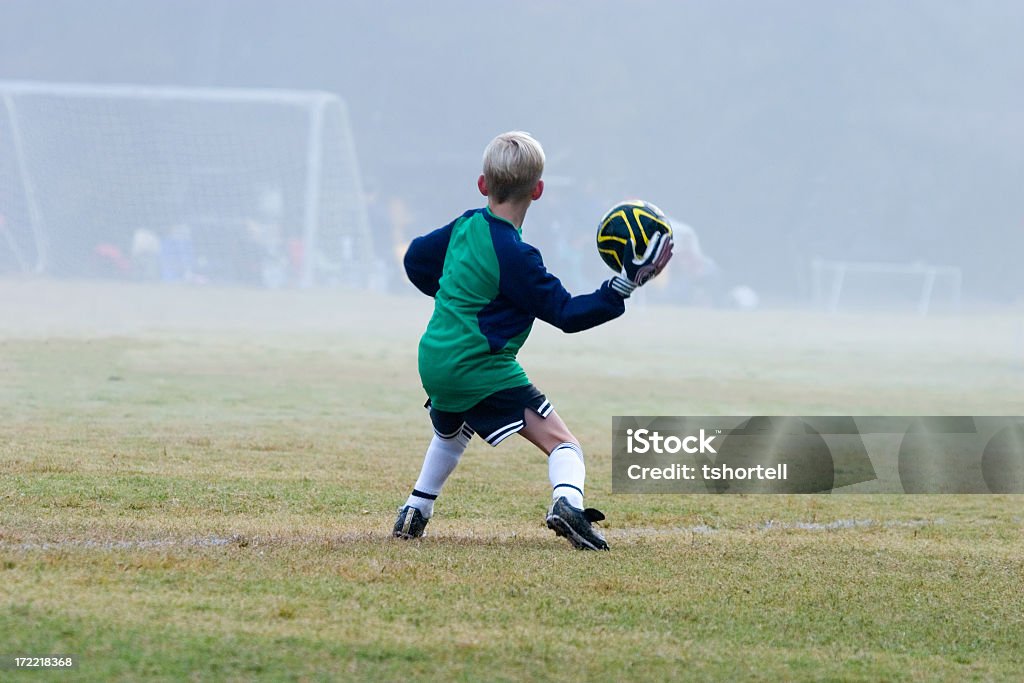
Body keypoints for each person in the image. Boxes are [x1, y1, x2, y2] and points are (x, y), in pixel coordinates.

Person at [393, 131, 673, 550]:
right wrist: (624, 286)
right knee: (564, 443)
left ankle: (416, 508)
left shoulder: (466, 225)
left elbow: (415, 259)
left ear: (483, 184)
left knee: (452, 432)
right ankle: (567, 505)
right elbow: (567, 314)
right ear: (538, 191)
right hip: (479, 365)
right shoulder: (517, 255)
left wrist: (457, 297)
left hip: (435, 359)